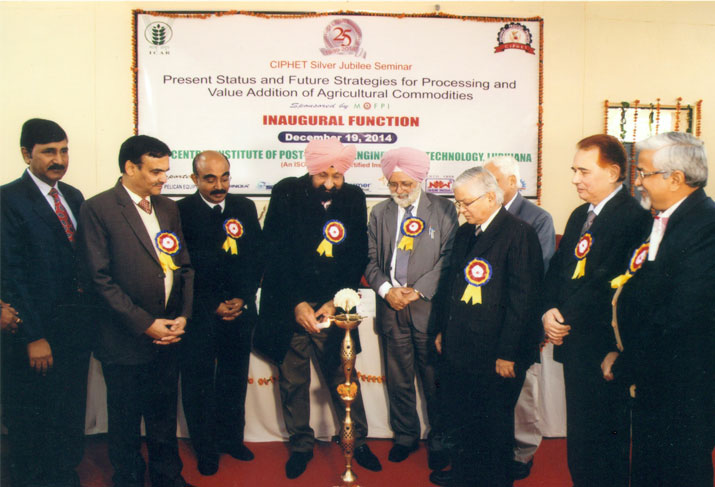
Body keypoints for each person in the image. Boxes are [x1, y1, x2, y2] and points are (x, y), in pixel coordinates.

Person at [253, 136, 382, 479]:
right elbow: (274, 253)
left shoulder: (353, 197)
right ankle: (301, 444)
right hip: (289, 303)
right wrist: (297, 304)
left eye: (337, 176)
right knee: (293, 380)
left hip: (333, 303)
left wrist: (334, 300)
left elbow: (356, 253)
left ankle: (357, 440)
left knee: (344, 374)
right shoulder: (286, 191)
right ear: (310, 168)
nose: (330, 183)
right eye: (323, 175)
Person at [77, 135, 196, 487]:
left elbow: (184, 267)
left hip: (168, 336)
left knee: (163, 417)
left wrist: (183, 317)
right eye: (156, 171)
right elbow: (99, 280)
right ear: (130, 167)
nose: (164, 178)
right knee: (125, 421)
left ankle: (167, 478)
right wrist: (146, 324)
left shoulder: (168, 208)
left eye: (165, 170)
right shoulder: (98, 208)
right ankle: (128, 479)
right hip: (124, 339)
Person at [603, 132, 714, 487]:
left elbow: (681, 314)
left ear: (676, 178)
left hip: (683, 386)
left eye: (644, 173)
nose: (637, 182)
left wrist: (627, 362)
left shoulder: (706, 226)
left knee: (678, 472)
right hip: (655, 378)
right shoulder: (664, 218)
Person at [542, 134, 651, 487]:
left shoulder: (634, 218)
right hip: (572, 344)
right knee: (580, 439)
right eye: (574, 170)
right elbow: (558, 269)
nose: (575, 179)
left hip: (606, 350)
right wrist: (548, 310)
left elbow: (610, 283)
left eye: (584, 171)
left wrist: (564, 318)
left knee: (606, 444)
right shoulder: (579, 215)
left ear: (614, 172)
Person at [432, 167, 543, 487]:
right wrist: (442, 330)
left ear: (491, 197)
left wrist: (508, 353)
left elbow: (524, 300)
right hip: (461, 347)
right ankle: (465, 475)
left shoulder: (519, 233)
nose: (461, 210)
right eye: (458, 203)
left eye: (466, 203)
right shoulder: (466, 232)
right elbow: (451, 286)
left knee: (493, 426)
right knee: (464, 419)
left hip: (496, 353)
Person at [0, 118, 92, 487]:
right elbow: (10, 273)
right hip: (35, 333)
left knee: (68, 410)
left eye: (64, 150)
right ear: (27, 154)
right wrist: (33, 336)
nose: (59, 159)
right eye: (49, 152)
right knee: (31, 416)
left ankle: (63, 473)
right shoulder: (7, 199)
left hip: (74, 330)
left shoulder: (73, 196)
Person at [364, 147, 458, 468]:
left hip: (427, 311)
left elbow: (449, 258)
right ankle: (405, 437)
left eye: (406, 184)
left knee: (434, 382)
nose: (400, 190)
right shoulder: (379, 213)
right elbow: (370, 260)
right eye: (394, 184)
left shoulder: (444, 210)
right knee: (398, 380)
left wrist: (417, 291)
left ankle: (440, 441)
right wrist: (387, 290)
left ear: (420, 180)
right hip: (391, 309)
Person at [177, 151, 263, 476]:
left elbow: (256, 257)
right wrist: (211, 302)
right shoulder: (179, 211)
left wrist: (242, 297)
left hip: (239, 312)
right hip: (200, 314)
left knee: (234, 379)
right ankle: (205, 448)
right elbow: (181, 266)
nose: (219, 186)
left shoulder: (244, 207)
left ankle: (231, 440)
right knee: (198, 383)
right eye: (210, 179)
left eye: (224, 177)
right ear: (194, 179)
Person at [484, 156, 555, 480]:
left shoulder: (538, 218)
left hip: (521, 322)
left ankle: (523, 452)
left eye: (494, 181)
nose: (488, 188)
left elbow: (537, 270)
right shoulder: (485, 212)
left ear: (513, 182)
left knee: (524, 392)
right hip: (488, 322)